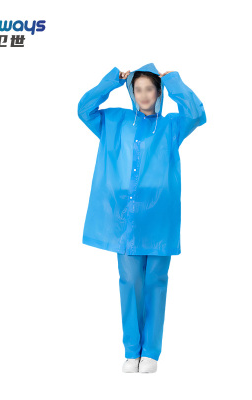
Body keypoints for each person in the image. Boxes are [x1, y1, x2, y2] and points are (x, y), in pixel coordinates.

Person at [78, 63, 206, 373]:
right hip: (125, 220)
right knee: (130, 282)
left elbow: (196, 113)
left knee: (156, 283)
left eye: (150, 89)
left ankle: (151, 352)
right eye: (138, 89)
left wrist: (173, 80)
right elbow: (84, 109)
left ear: (158, 94)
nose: (144, 94)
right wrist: (112, 80)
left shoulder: (171, 126)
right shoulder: (114, 121)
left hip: (160, 218)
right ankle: (131, 350)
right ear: (132, 92)